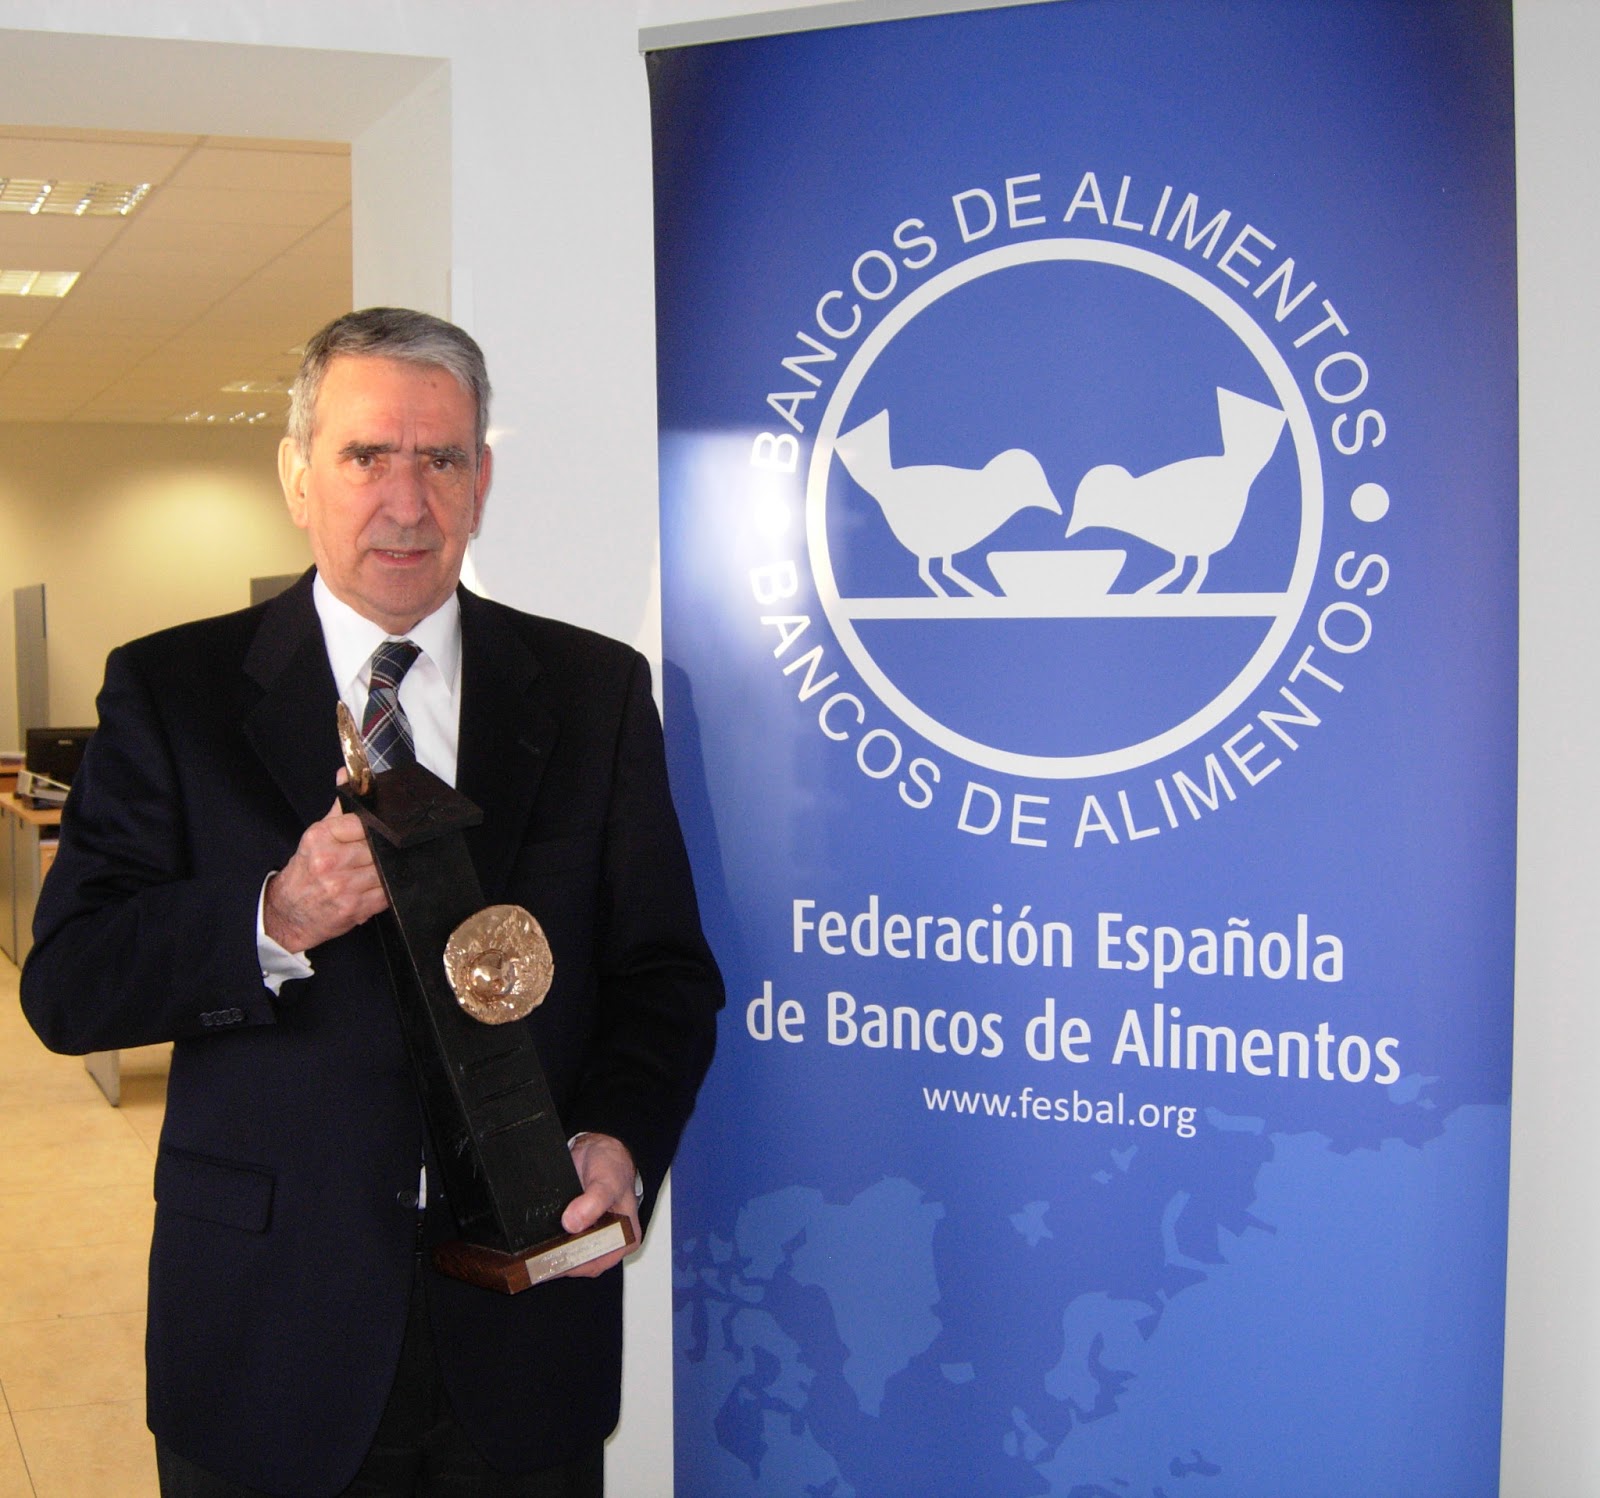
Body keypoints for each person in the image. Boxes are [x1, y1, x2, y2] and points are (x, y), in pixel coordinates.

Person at [20, 307, 724, 1498]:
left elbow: (663, 973)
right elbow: (69, 984)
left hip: (523, 1333)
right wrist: (274, 916)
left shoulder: (593, 691)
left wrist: (617, 1135)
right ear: (297, 476)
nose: (407, 501)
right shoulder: (173, 691)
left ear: (481, 480)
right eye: (366, 456)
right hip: (266, 1332)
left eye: (440, 458)